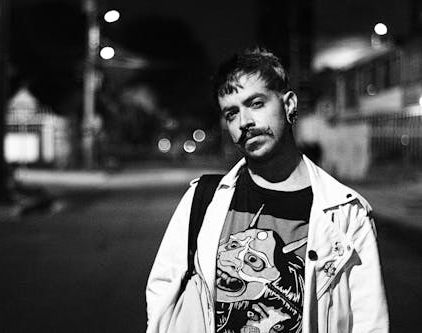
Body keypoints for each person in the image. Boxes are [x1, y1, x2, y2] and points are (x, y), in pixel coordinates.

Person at [146, 47, 388, 333]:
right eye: (232, 113)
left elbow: (368, 321)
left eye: (256, 103)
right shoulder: (203, 199)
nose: (245, 122)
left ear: (288, 104)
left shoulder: (346, 213)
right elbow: (163, 291)